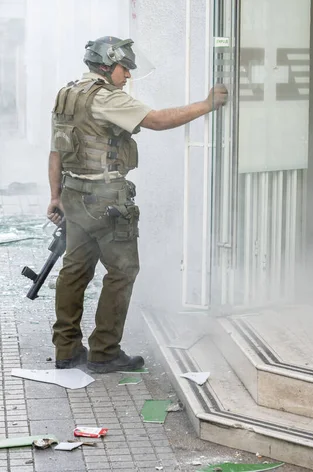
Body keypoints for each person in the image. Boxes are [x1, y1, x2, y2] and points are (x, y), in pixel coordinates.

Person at [48, 36, 228, 373]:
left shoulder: (67, 93)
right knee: (122, 271)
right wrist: (207, 105)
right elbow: (158, 120)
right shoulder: (106, 98)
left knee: (74, 271)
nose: (127, 76)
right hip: (105, 200)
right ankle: (104, 352)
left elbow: (56, 150)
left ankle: (67, 349)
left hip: (73, 195)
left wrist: (55, 196)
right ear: (107, 65)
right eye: (124, 68)